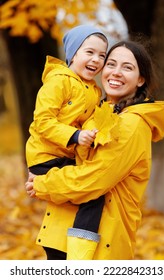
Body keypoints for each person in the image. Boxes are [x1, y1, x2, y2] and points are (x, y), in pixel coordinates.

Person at [26, 40, 164, 260]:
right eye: (111, 64)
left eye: (127, 67)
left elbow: (93, 180)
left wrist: (41, 183)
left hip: (99, 246)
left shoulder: (132, 124)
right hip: (62, 234)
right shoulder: (99, 110)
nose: (116, 72)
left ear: (141, 79)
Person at [25, 24, 108, 260]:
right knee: (91, 192)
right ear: (73, 54)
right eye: (89, 52)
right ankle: (79, 255)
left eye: (102, 55)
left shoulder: (94, 90)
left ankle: (66, 252)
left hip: (64, 157)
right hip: (46, 157)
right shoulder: (58, 81)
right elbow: (42, 121)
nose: (96, 59)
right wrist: (75, 136)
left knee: (82, 197)